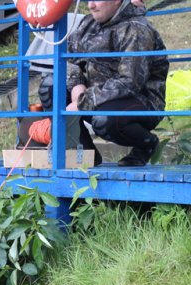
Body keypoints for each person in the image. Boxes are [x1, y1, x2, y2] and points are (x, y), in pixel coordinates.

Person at [66, 0, 168, 167]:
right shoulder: (87, 23)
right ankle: (86, 155)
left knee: (104, 119)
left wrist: (85, 100)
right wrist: (77, 87)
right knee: (51, 88)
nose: (90, 5)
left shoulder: (136, 28)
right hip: (96, 97)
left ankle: (146, 144)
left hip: (140, 101)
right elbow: (70, 58)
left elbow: (130, 82)